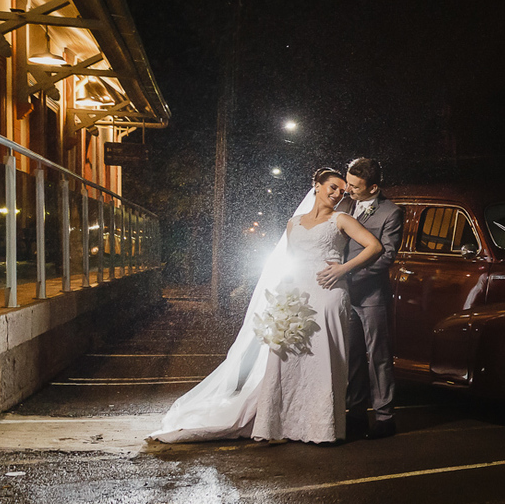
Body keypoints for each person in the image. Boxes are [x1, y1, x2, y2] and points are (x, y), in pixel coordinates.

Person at [149, 168, 382, 444]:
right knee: (287, 359)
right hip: (295, 297)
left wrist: (343, 269)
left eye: (341, 192)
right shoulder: (293, 223)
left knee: (324, 361)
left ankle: (321, 428)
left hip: (328, 294)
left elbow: (374, 246)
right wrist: (282, 297)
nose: (336, 194)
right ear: (316, 186)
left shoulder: (341, 219)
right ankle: (280, 423)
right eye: (332, 187)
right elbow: (291, 260)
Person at [329, 157, 402, 439]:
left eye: (356, 187)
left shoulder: (391, 212)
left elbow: (387, 256)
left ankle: (385, 417)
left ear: (373, 188)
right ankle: (355, 413)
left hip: (372, 295)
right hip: (344, 294)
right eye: (348, 183)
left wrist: (350, 275)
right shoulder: (344, 204)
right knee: (353, 357)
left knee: (378, 357)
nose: (348, 190)